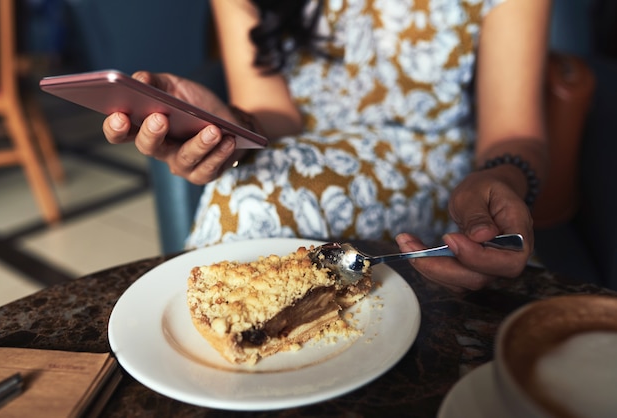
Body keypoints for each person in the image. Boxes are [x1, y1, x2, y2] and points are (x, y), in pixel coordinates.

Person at [103, 0, 551, 291]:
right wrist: (226, 124)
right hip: (301, 152)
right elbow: (274, 114)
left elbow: (514, 131)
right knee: (246, 189)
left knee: (248, 198)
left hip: (438, 174)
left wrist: (498, 180)